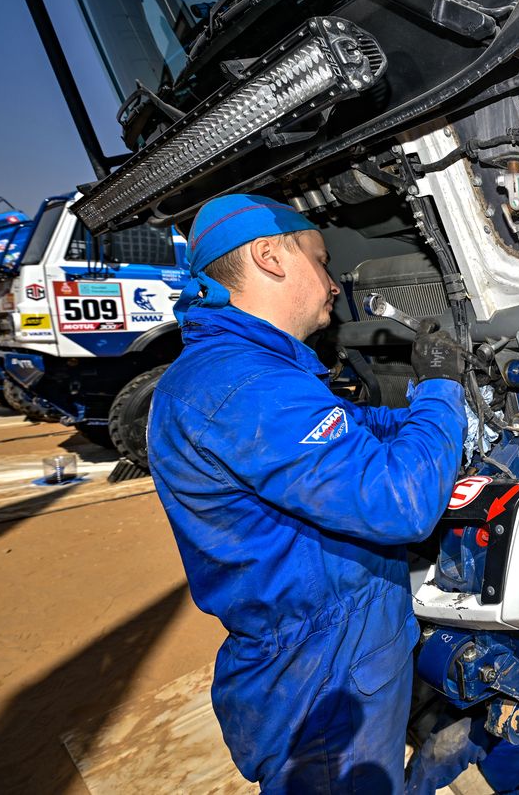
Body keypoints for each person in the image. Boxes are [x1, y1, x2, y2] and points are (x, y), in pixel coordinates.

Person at [148, 194, 468, 792]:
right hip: (320, 680)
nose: (331, 282)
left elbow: (355, 434)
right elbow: (400, 501)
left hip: (341, 653)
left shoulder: (254, 373)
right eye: (320, 261)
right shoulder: (243, 386)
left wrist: (426, 425)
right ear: (270, 257)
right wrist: (441, 391)